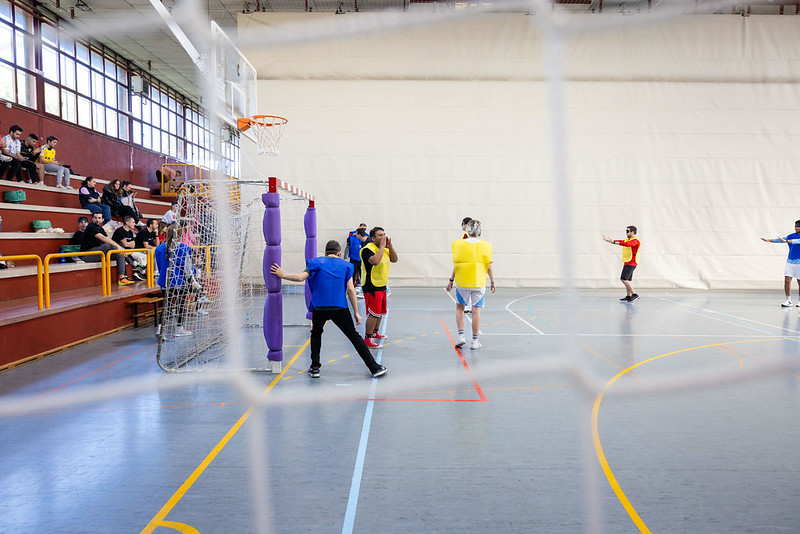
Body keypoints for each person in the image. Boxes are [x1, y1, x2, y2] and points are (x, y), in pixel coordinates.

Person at [270, 240, 387, 379]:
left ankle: (315, 368)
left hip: (319, 308)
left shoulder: (315, 263)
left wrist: (283, 275)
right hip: (340, 308)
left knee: (316, 334)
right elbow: (350, 289)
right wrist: (356, 312)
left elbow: (301, 278)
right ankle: (374, 368)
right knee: (354, 337)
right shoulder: (346, 266)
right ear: (339, 253)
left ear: (325, 253)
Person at [446, 219, 495, 350]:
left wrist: (451, 280)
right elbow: (489, 267)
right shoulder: (487, 246)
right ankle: (474, 341)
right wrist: (492, 281)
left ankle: (461, 336)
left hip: (462, 282)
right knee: (476, 312)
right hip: (479, 283)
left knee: (460, 309)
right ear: (480, 230)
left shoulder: (458, 245)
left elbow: (456, 265)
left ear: (467, 229)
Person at [154, 226, 200, 337]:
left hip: (165, 281)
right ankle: (179, 328)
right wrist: (192, 279)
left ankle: (160, 329)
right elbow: (187, 268)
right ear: (180, 235)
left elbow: (158, 267)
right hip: (179, 282)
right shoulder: (184, 248)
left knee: (167, 306)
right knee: (180, 305)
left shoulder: (159, 248)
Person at [360, 226, 398, 348]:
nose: (383, 237)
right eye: (380, 235)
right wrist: (382, 246)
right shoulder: (367, 249)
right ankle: (368, 338)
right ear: (373, 238)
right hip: (371, 285)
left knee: (380, 312)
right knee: (374, 313)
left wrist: (390, 246)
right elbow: (375, 261)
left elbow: (395, 259)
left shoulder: (385, 249)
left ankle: (375, 332)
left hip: (382, 285)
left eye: (384, 234)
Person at [79, 211, 133, 285]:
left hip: (99, 254)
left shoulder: (100, 228)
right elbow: (103, 238)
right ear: (92, 218)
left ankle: (122, 278)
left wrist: (119, 249)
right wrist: (120, 247)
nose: (97, 219)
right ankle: (131, 260)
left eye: (99, 218)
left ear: (102, 219)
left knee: (119, 254)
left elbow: (108, 238)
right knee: (109, 245)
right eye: (95, 218)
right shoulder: (91, 227)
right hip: (87, 255)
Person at [761, 220, 800, 307]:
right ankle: (788, 300)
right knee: (787, 280)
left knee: (799, 281)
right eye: (795, 226)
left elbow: (797, 241)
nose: (796, 227)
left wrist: (786, 241)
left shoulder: (792, 239)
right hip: (790, 262)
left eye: (798, 226)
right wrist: (768, 240)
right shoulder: (791, 236)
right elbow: (780, 240)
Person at [602, 225, 641, 302]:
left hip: (631, 262)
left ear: (632, 232)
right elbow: (623, 242)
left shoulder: (635, 241)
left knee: (623, 278)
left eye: (627, 231)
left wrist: (614, 242)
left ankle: (635, 294)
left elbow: (628, 244)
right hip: (628, 262)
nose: (626, 233)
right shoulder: (628, 239)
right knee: (628, 280)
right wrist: (612, 241)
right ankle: (629, 296)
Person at [112, 215, 148, 281]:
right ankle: (135, 265)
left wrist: (128, 244)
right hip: (120, 251)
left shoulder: (130, 232)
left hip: (129, 251)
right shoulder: (119, 231)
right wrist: (129, 244)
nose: (135, 224)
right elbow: (124, 244)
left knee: (144, 256)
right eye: (133, 222)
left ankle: (141, 274)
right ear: (127, 223)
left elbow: (133, 245)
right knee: (139, 257)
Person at [345, 223, 368, 297]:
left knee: (363, 274)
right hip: (353, 258)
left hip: (363, 259)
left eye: (364, 229)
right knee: (353, 274)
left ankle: (363, 290)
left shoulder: (367, 237)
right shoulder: (352, 236)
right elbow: (347, 246)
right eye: (361, 228)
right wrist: (345, 257)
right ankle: (351, 290)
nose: (363, 230)